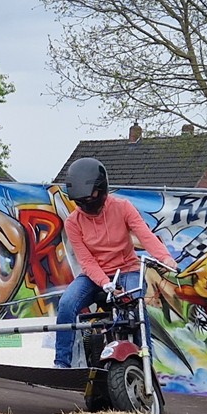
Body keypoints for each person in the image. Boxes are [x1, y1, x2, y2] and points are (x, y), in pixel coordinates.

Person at [53, 157, 171, 369]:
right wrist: (104, 282)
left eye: (90, 198)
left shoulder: (123, 207)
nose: (86, 205)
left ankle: (146, 364)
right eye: (80, 201)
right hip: (94, 275)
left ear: (102, 189)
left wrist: (165, 258)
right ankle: (61, 364)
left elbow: (145, 235)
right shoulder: (72, 222)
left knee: (136, 304)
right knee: (66, 304)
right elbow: (86, 260)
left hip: (127, 269)